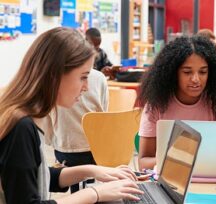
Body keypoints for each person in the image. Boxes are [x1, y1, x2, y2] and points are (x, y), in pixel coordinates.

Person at [0, 27, 143, 203]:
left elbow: (41, 176)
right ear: (55, 75)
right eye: (83, 77)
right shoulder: (21, 128)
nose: (86, 87)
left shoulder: (23, 117)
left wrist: (92, 171)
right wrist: (94, 193)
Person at [137, 36, 216, 170]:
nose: (196, 79)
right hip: (169, 183)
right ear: (173, 73)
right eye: (187, 72)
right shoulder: (156, 105)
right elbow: (144, 162)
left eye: (203, 72)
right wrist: (181, 162)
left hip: (210, 180)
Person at [44, 68, 108, 193]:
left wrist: (56, 142)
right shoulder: (99, 77)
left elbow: (48, 134)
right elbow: (103, 116)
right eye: (83, 78)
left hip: (66, 150)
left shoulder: (51, 78)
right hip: (97, 151)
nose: (86, 87)